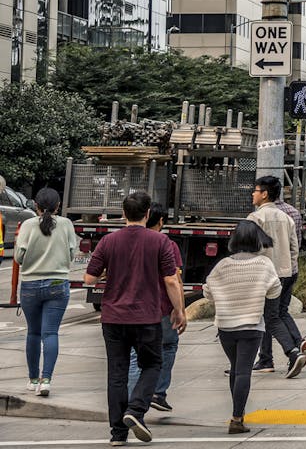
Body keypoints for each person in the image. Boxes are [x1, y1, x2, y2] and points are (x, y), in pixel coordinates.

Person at [84, 191, 187, 446]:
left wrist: (110, 269)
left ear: (123, 213)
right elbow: (171, 279)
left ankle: (118, 434)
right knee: (152, 364)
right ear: (148, 213)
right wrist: (179, 310)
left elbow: (89, 279)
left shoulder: (108, 242)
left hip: (113, 318)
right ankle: (136, 409)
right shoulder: (159, 242)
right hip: (147, 316)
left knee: (116, 374)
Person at [203, 220, 282, 434]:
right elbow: (275, 289)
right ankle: (237, 418)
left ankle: (238, 413)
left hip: (226, 326)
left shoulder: (223, 265)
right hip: (252, 324)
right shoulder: (264, 264)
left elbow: (208, 291)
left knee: (236, 368)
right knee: (244, 371)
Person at [16, 187, 77, 398]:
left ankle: (33, 379)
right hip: (58, 283)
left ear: (35, 205)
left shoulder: (28, 225)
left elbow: (18, 256)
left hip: (31, 285)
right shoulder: (67, 225)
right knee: (50, 333)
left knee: (33, 332)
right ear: (58, 206)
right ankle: (46, 380)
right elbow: (72, 252)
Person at [248, 176, 306, 378]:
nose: (253, 194)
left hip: (265, 276)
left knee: (270, 317)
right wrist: (289, 270)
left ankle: (292, 352)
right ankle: (269, 358)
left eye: (255, 190)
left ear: (264, 194)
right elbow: (294, 248)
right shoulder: (286, 217)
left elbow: (250, 251)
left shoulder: (255, 218)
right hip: (285, 272)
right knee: (275, 314)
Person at [126, 206, 181, 413]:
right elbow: (173, 280)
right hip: (161, 307)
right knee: (168, 345)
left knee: (134, 355)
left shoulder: (123, 242)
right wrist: (180, 309)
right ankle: (158, 392)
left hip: (132, 308)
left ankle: (133, 404)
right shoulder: (167, 244)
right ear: (159, 221)